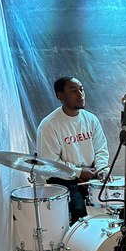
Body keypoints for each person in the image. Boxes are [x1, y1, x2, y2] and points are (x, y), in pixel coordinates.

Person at [36, 77, 110, 225]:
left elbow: (101, 150)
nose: (80, 94)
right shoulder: (49, 125)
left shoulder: (91, 119)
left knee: (125, 205)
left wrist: (102, 169)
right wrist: (79, 172)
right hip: (62, 179)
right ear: (60, 96)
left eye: (81, 89)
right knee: (78, 210)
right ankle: (79, 240)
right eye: (73, 91)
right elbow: (50, 163)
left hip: (91, 174)